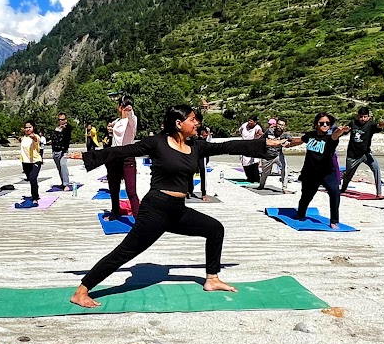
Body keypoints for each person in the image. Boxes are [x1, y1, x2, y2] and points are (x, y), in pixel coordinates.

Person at [68, 105, 274, 308]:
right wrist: (88, 157)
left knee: (214, 229)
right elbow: (124, 150)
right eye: (192, 119)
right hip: (155, 210)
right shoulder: (157, 143)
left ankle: (212, 279)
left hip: (177, 210)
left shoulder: (196, 146)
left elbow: (229, 146)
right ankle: (81, 291)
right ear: (178, 123)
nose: (196, 123)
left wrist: (265, 143)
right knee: (125, 252)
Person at [282, 114, 352, 229]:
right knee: (306, 196)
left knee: (335, 193)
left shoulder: (330, 138)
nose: (325, 125)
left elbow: (336, 134)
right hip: (310, 172)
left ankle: (334, 221)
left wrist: (341, 131)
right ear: (316, 124)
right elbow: (300, 140)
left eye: (327, 123)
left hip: (327, 173)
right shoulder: (310, 135)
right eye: (321, 123)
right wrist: (288, 144)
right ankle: (301, 213)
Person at [341, 106, 384, 196]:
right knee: (348, 174)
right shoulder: (353, 123)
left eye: (365, 117)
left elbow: (379, 125)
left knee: (376, 169)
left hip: (366, 154)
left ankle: (379, 193)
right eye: (361, 116)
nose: (363, 119)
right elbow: (345, 130)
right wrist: (342, 130)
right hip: (353, 154)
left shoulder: (370, 125)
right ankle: (343, 189)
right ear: (358, 116)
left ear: (368, 117)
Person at [105, 96, 140, 220]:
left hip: (127, 157)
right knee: (113, 188)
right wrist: (110, 128)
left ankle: (138, 219)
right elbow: (113, 127)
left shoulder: (132, 120)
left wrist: (129, 110)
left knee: (131, 191)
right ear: (120, 108)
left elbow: (131, 118)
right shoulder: (118, 121)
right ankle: (115, 212)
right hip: (115, 157)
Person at [16, 121, 44, 207]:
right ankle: (36, 189)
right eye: (26, 127)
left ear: (33, 128)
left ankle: (35, 198)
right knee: (30, 179)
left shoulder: (36, 136)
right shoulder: (23, 138)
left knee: (32, 178)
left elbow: (36, 139)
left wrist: (33, 137)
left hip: (36, 161)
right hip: (25, 162)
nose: (28, 129)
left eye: (30, 127)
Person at [259, 117, 290, 191]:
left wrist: (288, 143)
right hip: (267, 155)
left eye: (282, 125)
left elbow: (291, 141)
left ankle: (284, 188)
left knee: (285, 168)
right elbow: (261, 139)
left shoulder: (285, 135)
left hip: (278, 154)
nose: (280, 126)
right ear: (276, 124)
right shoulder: (269, 131)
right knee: (265, 172)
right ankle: (261, 185)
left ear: (285, 126)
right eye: (279, 124)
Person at [49, 113, 74, 191]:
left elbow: (69, 130)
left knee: (63, 165)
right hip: (55, 150)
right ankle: (63, 182)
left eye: (62, 120)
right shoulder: (56, 129)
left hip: (63, 151)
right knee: (59, 168)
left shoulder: (67, 128)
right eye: (59, 120)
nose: (61, 121)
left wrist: (65, 127)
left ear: (65, 120)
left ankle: (66, 184)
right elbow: (54, 138)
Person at [239, 115, 265, 183]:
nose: (249, 122)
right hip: (244, 145)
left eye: (251, 121)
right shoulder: (244, 125)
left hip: (254, 146)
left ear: (255, 122)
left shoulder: (257, 127)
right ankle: (249, 177)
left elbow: (260, 132)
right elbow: (240, 131)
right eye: (249, 120)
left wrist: (262, 135)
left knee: (254, 162)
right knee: (245, 162)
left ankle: (256, 178)